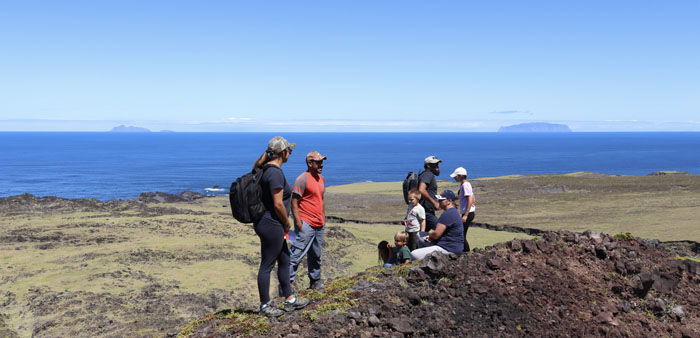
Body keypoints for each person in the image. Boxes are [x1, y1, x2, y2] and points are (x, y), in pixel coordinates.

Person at [252, 136, 308, 317]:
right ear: (283, 152)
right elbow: (277, 204)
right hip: (272, 224)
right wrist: (286, 222)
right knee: (267, 264)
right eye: (289, 150)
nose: (290, 153)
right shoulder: (274, 173)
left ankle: (290, 299)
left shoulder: (265, 170)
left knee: (284, 259)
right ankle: (265, 305)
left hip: (267, 223)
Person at [289, 151, 328, 290]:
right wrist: (299, 223)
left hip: (319, 223)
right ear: (309, 163)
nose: (321, 164)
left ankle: (315, 281)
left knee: (316, 254)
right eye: (318, 162)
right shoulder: (302, 179)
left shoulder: (321, 179)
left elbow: (321, 200)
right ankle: (286, 286)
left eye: (322, 162)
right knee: (296, 254)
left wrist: (323, 218)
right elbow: (294, 202)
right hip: (306, 222)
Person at [410, 190, 465, 261]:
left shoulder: (448, 214)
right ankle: (426, 257)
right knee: (419, 235)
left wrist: (430, 236)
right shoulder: (452, 212)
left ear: (449, 201)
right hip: (449, 244)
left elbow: (436, 234)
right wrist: (431, 237)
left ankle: (425, 261)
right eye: (439, 199)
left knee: (414, 254)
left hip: (448, 249)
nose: (439, 201)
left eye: (441, 200)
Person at [450, 167, 476, 253]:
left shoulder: (465, 185)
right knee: (461, 233)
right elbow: (472, 199)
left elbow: (470, 199)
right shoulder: (465, 184)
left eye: (456, 176)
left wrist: (465, 214)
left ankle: (466, 252)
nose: (454, 178)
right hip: (468, 212)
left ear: (460, 176)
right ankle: (465, 251)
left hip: (467, 213)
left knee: (461, 235)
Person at [418, 156, 441, 232]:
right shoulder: (428, 174)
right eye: (435, 164)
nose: (437, 166)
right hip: (426, 211)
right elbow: (421, 189)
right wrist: (434, 203)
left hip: (427, 210)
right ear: (428, 165)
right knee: (441, 230)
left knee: (421, 234)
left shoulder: (424, 174)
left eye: (438, 164)